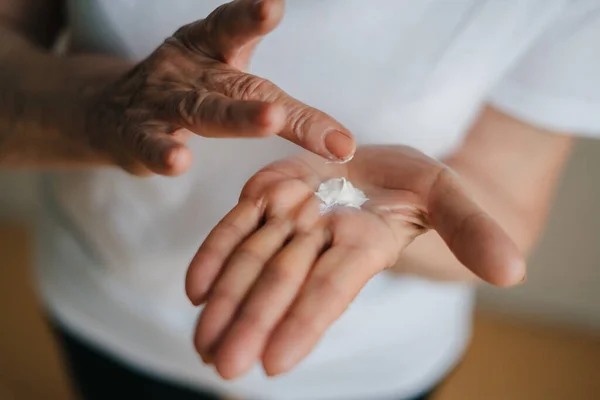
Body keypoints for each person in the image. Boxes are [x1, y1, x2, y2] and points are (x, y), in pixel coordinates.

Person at [1, 0, 598, 399]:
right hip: (106, 305)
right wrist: (101, 110)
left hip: (364, 365)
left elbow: (507, 212)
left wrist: (412, 211)